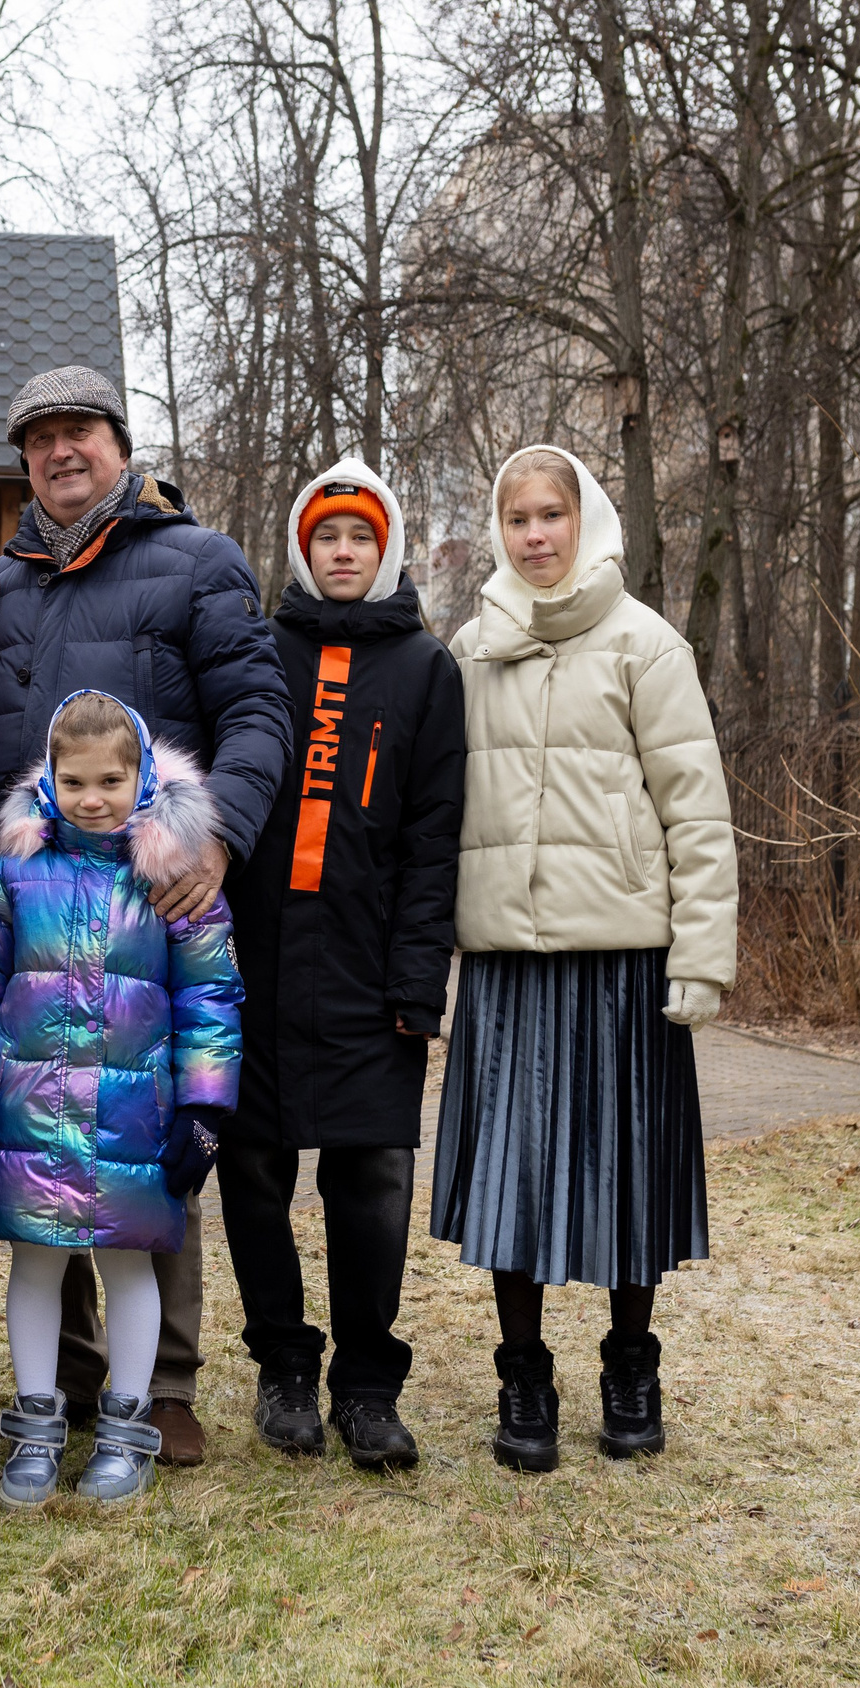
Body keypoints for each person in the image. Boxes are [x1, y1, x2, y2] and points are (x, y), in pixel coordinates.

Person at [0, 366, 292, 1467]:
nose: (61, 451)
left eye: (80, 432)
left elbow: (258, 711)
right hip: (33, 906)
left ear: (120, 442)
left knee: (148, 1140)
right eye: (39, 437)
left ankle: (166, 1386)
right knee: (41, 1132)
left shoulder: (195, 560)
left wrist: (216, 835)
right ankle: (66, 1382)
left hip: (155, 899)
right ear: (23, 462)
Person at [433, 445, 736, 1473]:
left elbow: (696, 811)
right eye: (517, 517)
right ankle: (523, 1376)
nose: (534, 534)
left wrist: (701, 955)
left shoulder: (646, 644)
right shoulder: (473, 649)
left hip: (621, 964)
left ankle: (629, 1367)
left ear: (585, 520)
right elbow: (438, 808)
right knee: (510, 1179)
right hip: (509, 965)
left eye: (550, 514)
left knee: (627, 1173)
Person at [0, 691, 243, 1508]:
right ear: (49, 777)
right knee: (35, 1261)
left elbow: (211, 998)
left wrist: (205, 1109)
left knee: (130, 1261)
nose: (93, 798)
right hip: (29, 1109)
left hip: (134, 1114)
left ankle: (128, 1423)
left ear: (143, 776)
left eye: (111, 780)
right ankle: (37, 1422)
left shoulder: (173, 874)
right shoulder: (10, 868)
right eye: (74, 781)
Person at [221, 459, 464, 1473]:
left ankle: (367, 1386)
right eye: (327, 535)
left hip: (370, 968)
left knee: (373, 1176)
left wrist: (418, 981)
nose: (345, 550)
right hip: (258, 963)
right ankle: (283, 1366)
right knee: (252, 1167)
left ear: (388, 547)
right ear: (302, 548)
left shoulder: (426, 668)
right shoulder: (258, 652)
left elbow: (433, 837)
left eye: (362, 535)